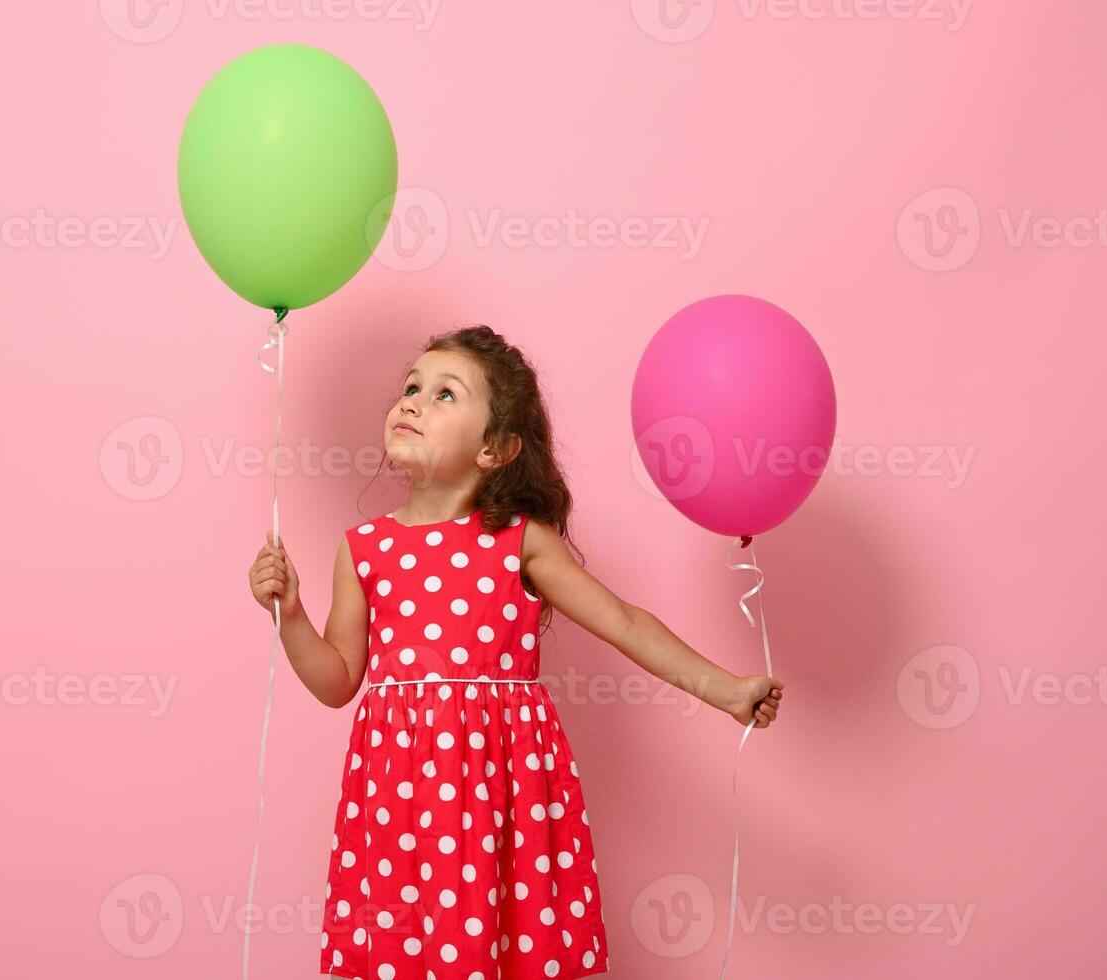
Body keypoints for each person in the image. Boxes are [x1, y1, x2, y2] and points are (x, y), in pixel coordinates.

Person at [249, 324, 784, 980]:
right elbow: (336, 680)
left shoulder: (518, 542)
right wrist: (291, 615)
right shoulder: (363, 548)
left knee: (500, 946)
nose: (414, 400)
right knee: (406, 950)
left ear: (496, 448)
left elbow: (623, 621)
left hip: (504, 786)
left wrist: (725, 689)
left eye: (446, 395)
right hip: (400, 794)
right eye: (412, 386)